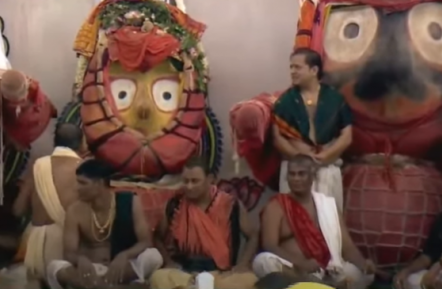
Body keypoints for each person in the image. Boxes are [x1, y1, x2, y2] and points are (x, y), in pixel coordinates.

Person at [253, 155, 374, 289]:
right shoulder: (276, 206)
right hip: (294, 268)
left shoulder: (327, 205)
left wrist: (363, 264)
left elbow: (347, 246)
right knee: (263, 261)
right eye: (292, 174)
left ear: (313, 176)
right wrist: (301, 262)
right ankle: (325, 286)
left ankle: (323, 284)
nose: (296, 179)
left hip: (329, 269)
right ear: (287, 177)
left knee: (362, 274)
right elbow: (270, 245)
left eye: (301, 174)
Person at [46, 158, 163, 289]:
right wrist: (80, 260)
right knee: (54, 267)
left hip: (122, 268)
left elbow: (145, 242)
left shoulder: (129, 202)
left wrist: (124, 255)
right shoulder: (74, 210)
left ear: (99, 184)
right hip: (92, 270)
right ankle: (112, 286)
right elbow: (69, 253)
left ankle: (97, 286)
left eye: (82, 183)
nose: (76, 188)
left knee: (154, 256)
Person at [149, 156, 259, 289]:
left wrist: (243, 264)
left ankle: (203, 284)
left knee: (249, 280)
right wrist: (169, 262)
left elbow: (253, 235)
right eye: (186, 181)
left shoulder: (230, 204)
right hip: (185, 275)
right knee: (159, 277)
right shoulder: (174, 204)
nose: (189, 186)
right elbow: (157, 237)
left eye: (195, 181)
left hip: (220, 275)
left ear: (210, 179)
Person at [272, 48, 352, 210]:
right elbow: (277, 138)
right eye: (291, 67)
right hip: (295, 171)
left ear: (314, 70)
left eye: (297, 67)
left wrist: (326, 155)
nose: (292, 72)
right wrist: (301, 158)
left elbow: (347, 135)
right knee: (294, 224)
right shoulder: (285, 101)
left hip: (327, 169)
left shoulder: (334, 98)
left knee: (328, 223)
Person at [12, 123, 83, 281]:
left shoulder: (38, 165)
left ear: (54, 141)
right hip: (66, 249)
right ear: (82, 142)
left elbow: (18, 210)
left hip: (32, 247)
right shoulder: (84, 170)